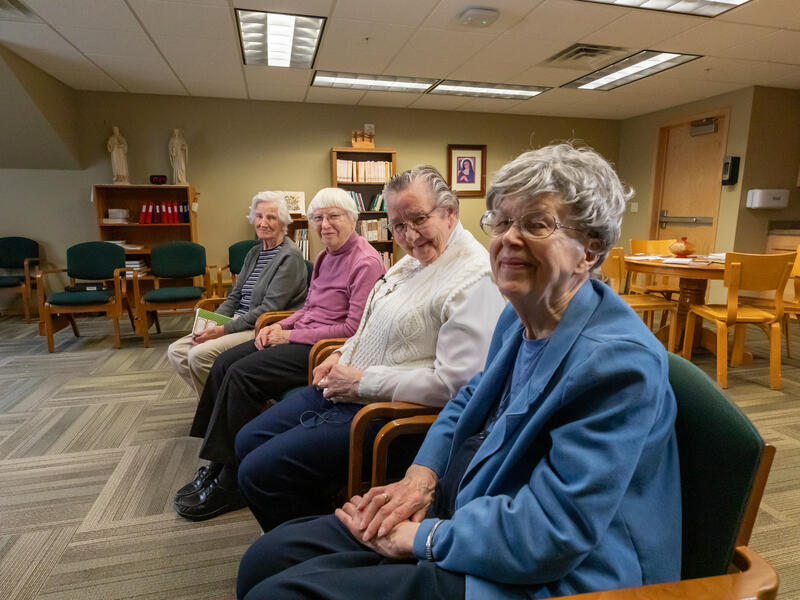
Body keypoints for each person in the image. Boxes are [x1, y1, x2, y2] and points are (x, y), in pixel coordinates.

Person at [236, 143, 682, 600]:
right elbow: (468, 397)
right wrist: (420, 476)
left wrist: (425, 539)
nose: (509, 238)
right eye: (503, 221)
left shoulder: (617, 363)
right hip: (468, 508)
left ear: (590, 250)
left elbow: (554, 532)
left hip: (545, 573)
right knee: (267, 558)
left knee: (280, 594)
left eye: (536, 224)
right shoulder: (518, 315)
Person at [234, 165, 506, 533]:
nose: (408, 236)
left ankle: (313, 550)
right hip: (347, 389)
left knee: (260, 472)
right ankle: (313, 520)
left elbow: (457, 386)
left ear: (450, 212)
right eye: (397, 225)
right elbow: (367, 325)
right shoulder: (411, 262)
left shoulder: (474, 277)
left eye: (418, 219)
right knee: (245, 440)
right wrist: (341, 354)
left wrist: (362, 381)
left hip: (384, 414)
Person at [175, 188, 385, 521]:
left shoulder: (366, 261)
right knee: (223, 363)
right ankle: (220, 462)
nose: (325, 225)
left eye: (334, 216)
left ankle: (230, 482)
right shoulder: (327, 257)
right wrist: (278, 326)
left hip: (322, 350)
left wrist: (289, 334)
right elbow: (309, 306)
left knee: (242, 376)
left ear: (352, 219)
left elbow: (351, 329)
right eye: (318, 218)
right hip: (301, 335)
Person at [167, 191, 308, 397]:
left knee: (198, 355)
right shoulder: (254, 253)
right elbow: (235, 296)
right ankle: (218, 404)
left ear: (283, 222)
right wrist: (213, 322)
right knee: (177, 351)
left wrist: (223, 330)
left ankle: (223, 406)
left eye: (271, 217)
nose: (263, 223)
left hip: (262, 326)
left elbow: (269, 309)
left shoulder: (290, 257)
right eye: (259, 216)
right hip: (237, 320)